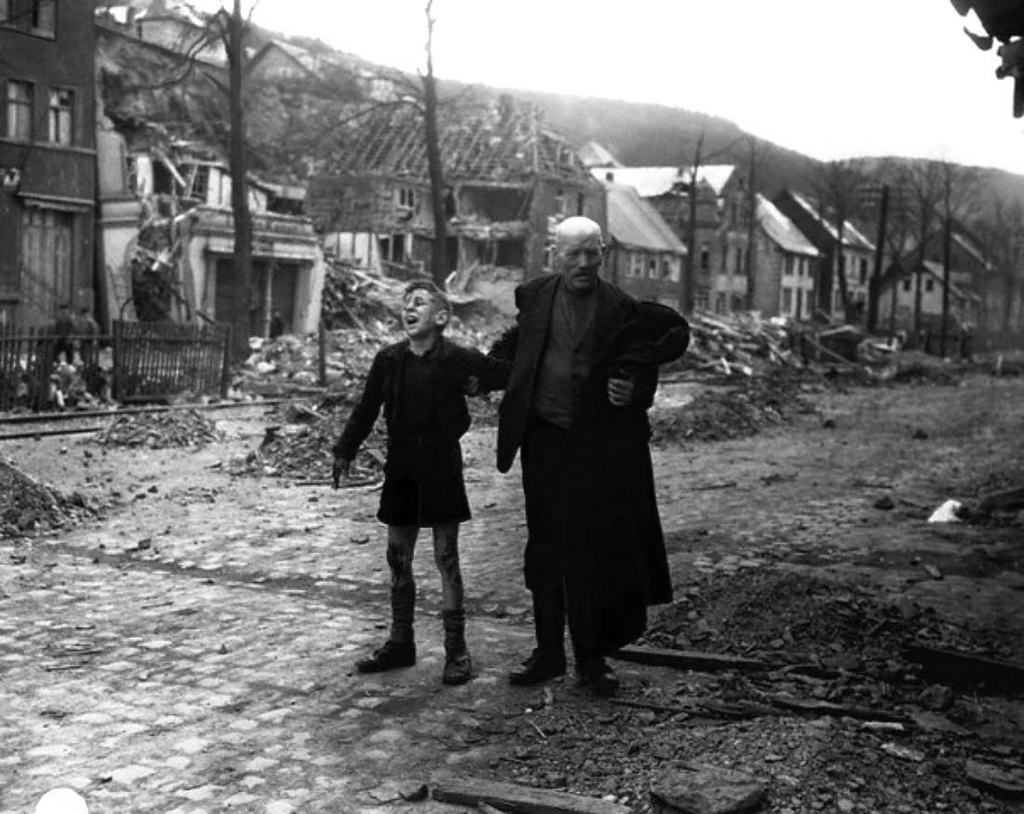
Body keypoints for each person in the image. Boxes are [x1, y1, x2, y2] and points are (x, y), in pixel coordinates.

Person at [487, 216, 690, 697]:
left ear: (604, 253)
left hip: (595, 451)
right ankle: (547, 653)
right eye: (573, 253)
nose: (583, 263)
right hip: (544, 441)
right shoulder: (534, 296)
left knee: (590, 555)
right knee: (544, 550)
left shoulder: (621, 307)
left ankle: (591, 659)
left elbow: (643, 363)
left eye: (592, 253)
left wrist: (635, 390)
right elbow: (516, 349)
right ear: (554, 254)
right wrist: (481, 374)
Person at [331, 280, 503, 686]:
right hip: (402, 467)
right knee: (397, 558)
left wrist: (482, 384)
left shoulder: (458, 358)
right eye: (405, 303)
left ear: (441, 317)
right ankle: (400, 642)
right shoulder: (389, 360)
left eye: (420, 302)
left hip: (442, 466)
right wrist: (344, 450)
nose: (409, 308)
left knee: (446, 559)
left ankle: (456, 650)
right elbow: (367, 407)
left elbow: (501, 373)